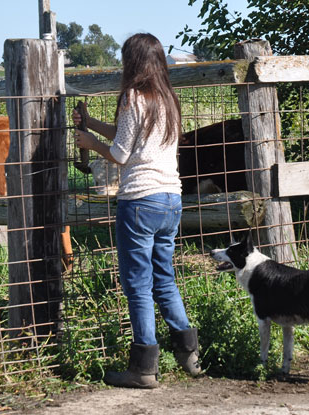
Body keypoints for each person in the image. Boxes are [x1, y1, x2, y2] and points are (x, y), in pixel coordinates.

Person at [72, 33, 200, 389]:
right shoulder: (167, 99)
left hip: (140, 201)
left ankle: (143, 367)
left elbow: (121, 154)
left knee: (138, 286)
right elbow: (132, 138)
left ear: (133, 62)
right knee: (165, 278)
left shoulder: (131, 97)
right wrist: (93, 122)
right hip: (170, 200)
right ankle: (188, 354)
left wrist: (89, 143)